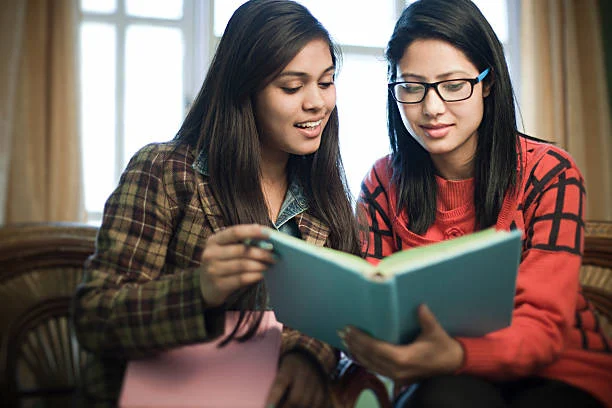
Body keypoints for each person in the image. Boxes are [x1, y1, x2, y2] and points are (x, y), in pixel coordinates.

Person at [72, 1, 361, 406]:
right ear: (246, 90)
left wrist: (306, 358)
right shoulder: (166, 171)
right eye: (292, 87)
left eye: (326, 82)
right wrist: (200, 290)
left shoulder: (325, 201)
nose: (316, 102)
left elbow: (335, 323)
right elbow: (93, 317)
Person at [340, 0, 612, 407]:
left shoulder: (550, 173)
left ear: (487, 82)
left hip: (561, 370)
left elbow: (543, 326)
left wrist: (461, 353)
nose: (432, 108)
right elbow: (377, 309)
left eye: (453, 85)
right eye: (412, 87)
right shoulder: (382, 183)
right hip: (436, 373)